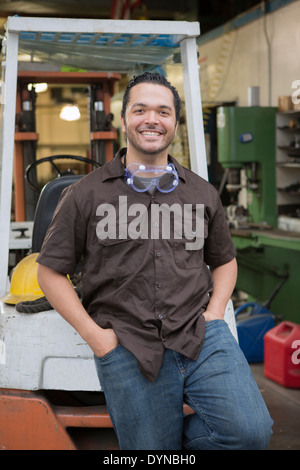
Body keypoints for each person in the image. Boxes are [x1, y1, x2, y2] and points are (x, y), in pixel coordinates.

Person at [37, 72, 273, 450]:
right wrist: (97, 339)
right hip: (128, 344)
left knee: (250, 433)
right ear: (123, 120)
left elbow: (225, 262)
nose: (152, 119)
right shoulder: (86, 193)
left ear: (175, 123)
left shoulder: (202, 192)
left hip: (199, 335)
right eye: (140, 109)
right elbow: (49, 272)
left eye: (163, 111)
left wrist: (214, 313)